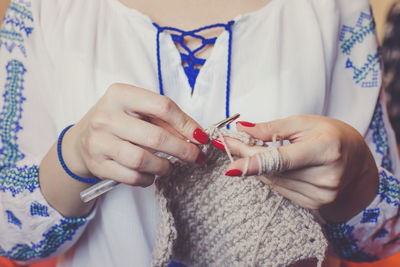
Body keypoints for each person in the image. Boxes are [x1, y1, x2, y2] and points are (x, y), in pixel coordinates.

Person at [0, 0, 398, 266]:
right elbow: (11, 238)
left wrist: (356, 176)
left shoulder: (334, 8)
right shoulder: (45, 8)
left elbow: (380, 241)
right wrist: (74, 155)